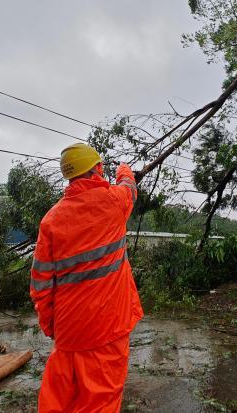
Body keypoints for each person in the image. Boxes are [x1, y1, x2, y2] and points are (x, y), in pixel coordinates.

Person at [30, 143, 144, 413]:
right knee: (100, 399)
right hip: (108, 325)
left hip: (69, 329)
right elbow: (129, 187)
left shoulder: (52, 220)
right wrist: (126, 171)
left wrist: (51, 324)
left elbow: (40, 284)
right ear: (98, 169)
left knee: (61, 399)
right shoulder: (114, 201)